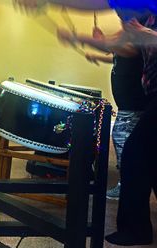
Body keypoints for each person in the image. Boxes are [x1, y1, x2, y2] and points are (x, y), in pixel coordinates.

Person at [13, 0, 157, 246]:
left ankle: (136, 231)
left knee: (137, 156)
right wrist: (78, 38)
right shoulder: (142, 17)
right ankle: (136, 229)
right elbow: (127, 46)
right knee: (145, 159)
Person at [57, 26, 148, 200]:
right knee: (126, 143)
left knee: (123, 142)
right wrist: (98, 53)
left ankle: (127, 187)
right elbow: (114, 49)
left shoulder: (138, 31)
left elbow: (129, 50)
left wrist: (79, 37)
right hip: (128, 105)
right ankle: (130, 185)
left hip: (134, 104)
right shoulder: (126, 31)